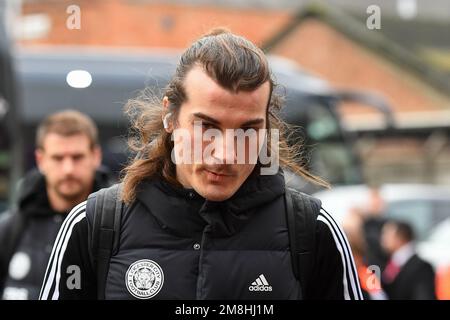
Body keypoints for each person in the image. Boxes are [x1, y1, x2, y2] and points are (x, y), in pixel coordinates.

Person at [40, 29, 363, 300]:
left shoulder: (312, 231)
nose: (224, 155)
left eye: (247, 131)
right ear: (170, 116)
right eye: (206, 127)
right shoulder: (94, 224)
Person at [0, 110, 111, 300]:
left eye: (77, 157)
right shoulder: (10, 229)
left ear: (96, 156)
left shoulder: (119, 225)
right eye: (58, 158)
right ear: (40, 160)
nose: (68, 169)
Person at [380, 219, 436, 300]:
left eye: (386, 235)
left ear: (400, 238)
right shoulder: (391, 262)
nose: (383, 239)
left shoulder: (421, 268)